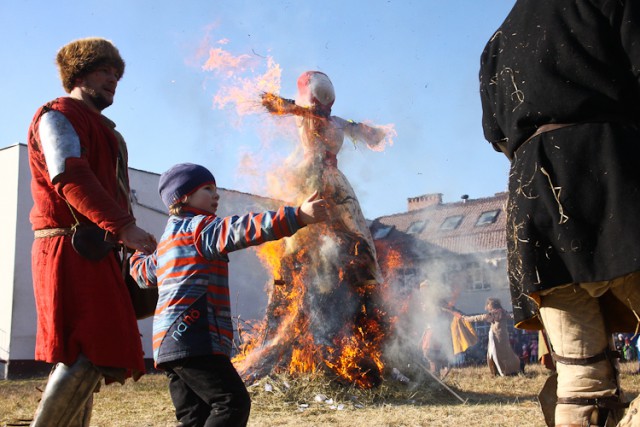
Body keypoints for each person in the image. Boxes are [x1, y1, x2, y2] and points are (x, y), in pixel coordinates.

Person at [479, 1, 640, 425]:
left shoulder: (497, 41)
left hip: (535, 206)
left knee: (581, 382)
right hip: (614, 181)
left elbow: (497, 137)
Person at [129, 163, 328, 427]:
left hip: (169, 346)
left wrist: (134, 255)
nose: (216, 194)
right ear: (183, 196)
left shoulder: (167, 242)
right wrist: (298, 216)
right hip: (195, 335)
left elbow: (144, 274)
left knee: (194, 417)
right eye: (207, 188)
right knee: (231, 402)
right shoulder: (201, 228)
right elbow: (244, 229)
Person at [26, 37, 157, 426]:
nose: (113, 80)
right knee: (92, 349)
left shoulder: (107, 131)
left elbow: (109, 189)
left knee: (88, 353)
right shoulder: (58, 114)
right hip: (68, 246)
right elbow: (68, 174)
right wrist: (123, 227)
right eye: (104, 71)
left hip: (97, 248)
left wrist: (124, 238)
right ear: (79, 73)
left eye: (116, 74)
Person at [459, 298, 521, 376]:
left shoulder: (491, 315)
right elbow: (513, 316)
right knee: (506, 354)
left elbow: (477, 318)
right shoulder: (504, 313)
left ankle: (500, 372)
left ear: (491, 306)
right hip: (503, 336)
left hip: (494, 336)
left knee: (494, 354)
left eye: (489, 306)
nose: (488, 307)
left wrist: (465, 318)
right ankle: (508, 370)